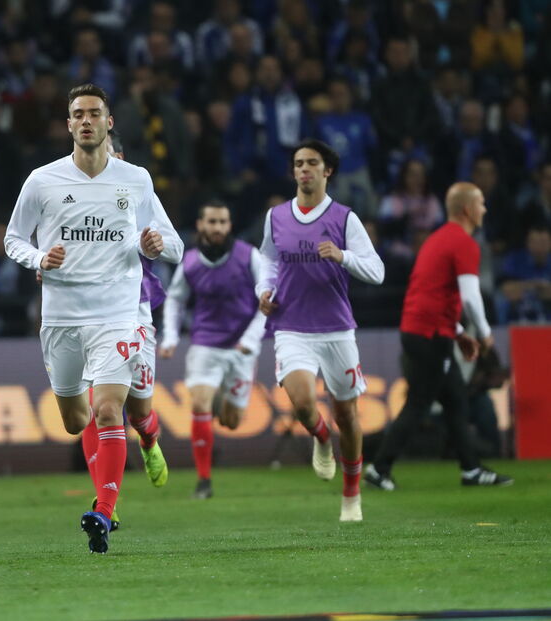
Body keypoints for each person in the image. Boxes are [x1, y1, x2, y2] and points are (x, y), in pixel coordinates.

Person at [4, 84, 182, 553]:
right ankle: (139, 446)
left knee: (108, 408)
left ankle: (103, 512)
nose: (86, 121)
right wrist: (39, 259)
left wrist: (158, 247)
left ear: (109, 122)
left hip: (118, 316)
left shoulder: (135, 179)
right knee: (74, 419)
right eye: (77, 114)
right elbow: (12, 239)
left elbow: (176, 244)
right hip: (61, 320)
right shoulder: (42, 180)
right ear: (68, 125)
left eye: (94, 113)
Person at [257, 139, 385, 522]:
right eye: (298, 163)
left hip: (336, 330)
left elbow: (377, 271)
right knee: (301, 402)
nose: (304, 169)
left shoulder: (344, 219)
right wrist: (263, 289)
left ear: (327, 171)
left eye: (312, 163)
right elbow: (267, 257)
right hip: (291, 325)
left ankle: (351, 495)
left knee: (347, 415)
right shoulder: (276, 216)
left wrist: (342, 256)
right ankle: (321, 439)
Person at [364, 182, 515, 490]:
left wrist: (458, 332)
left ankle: (471, 469)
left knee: (456, 399)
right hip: (429, 334)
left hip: (424, 330)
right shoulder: (463, 243)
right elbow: (471, 297)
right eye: (481, 203)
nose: (484, 209)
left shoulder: (436, 240)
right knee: (419, 402)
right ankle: (379, 469)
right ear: (467, 209)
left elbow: (430, 295)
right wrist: (484, 334)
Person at [78, 130, 178, 531]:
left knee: (138, 411)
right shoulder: (70, 194)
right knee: (98, 408)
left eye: (111, 151)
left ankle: (150, 440)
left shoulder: (137, 189)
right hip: (84, 315)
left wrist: (156, 244)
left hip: (133, 314)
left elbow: (176, 246)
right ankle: (106, 502)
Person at [159, 200, 267, 499]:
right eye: (212, 222)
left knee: (231, 422)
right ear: (201, 225)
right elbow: (175, 299)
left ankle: (220, 394)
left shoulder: (249, 257)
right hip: (205, 342)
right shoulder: (191, 262)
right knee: (199, 403)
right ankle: (204, 481)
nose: (217, 228)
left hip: (242, 347)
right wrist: (170, 338)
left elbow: (268, 302)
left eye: (222, 222)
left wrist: (251, 339)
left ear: (229, 225)